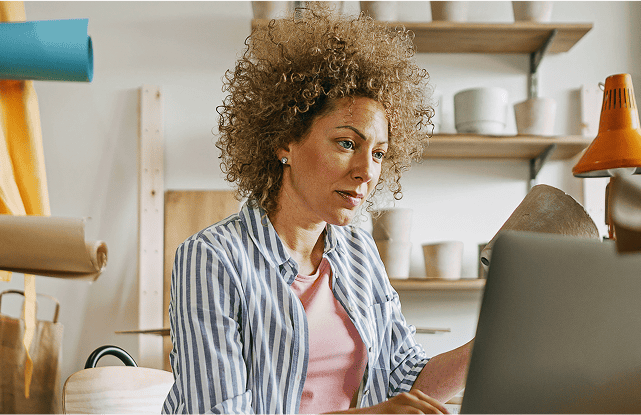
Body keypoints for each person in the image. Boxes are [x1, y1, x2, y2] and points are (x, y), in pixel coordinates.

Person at [162, 10, 472, 415]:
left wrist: (494, 339)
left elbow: (403, 380)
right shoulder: (212, 258)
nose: (366, 171)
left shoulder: (358, 252)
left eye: (378, 153)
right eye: (347, 143)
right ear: (285, 142)